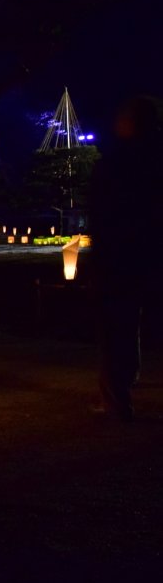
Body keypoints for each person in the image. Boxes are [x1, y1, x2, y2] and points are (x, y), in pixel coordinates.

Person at [89, 94, 163, 421]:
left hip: (121, 259)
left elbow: (101, 215)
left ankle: (116, 402)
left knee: (118, 328)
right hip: (153, 254)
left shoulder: (113, 164)